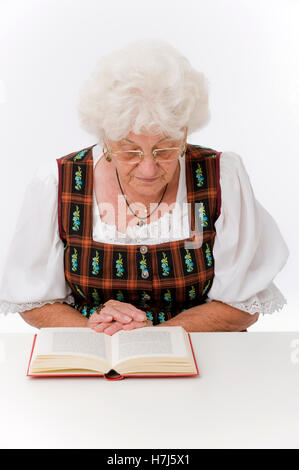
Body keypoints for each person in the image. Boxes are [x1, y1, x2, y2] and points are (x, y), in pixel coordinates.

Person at [0, 40, 289, 335]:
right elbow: (34, 301)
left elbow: (241, 307)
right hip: (96, 358)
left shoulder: (222, 177)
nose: (149, 168)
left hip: (202, 358)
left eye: (165, 149)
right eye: (130, 151)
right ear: (105, 138)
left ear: (184, 133)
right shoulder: (58, 183)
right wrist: (93, 327)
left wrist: (155, 336)